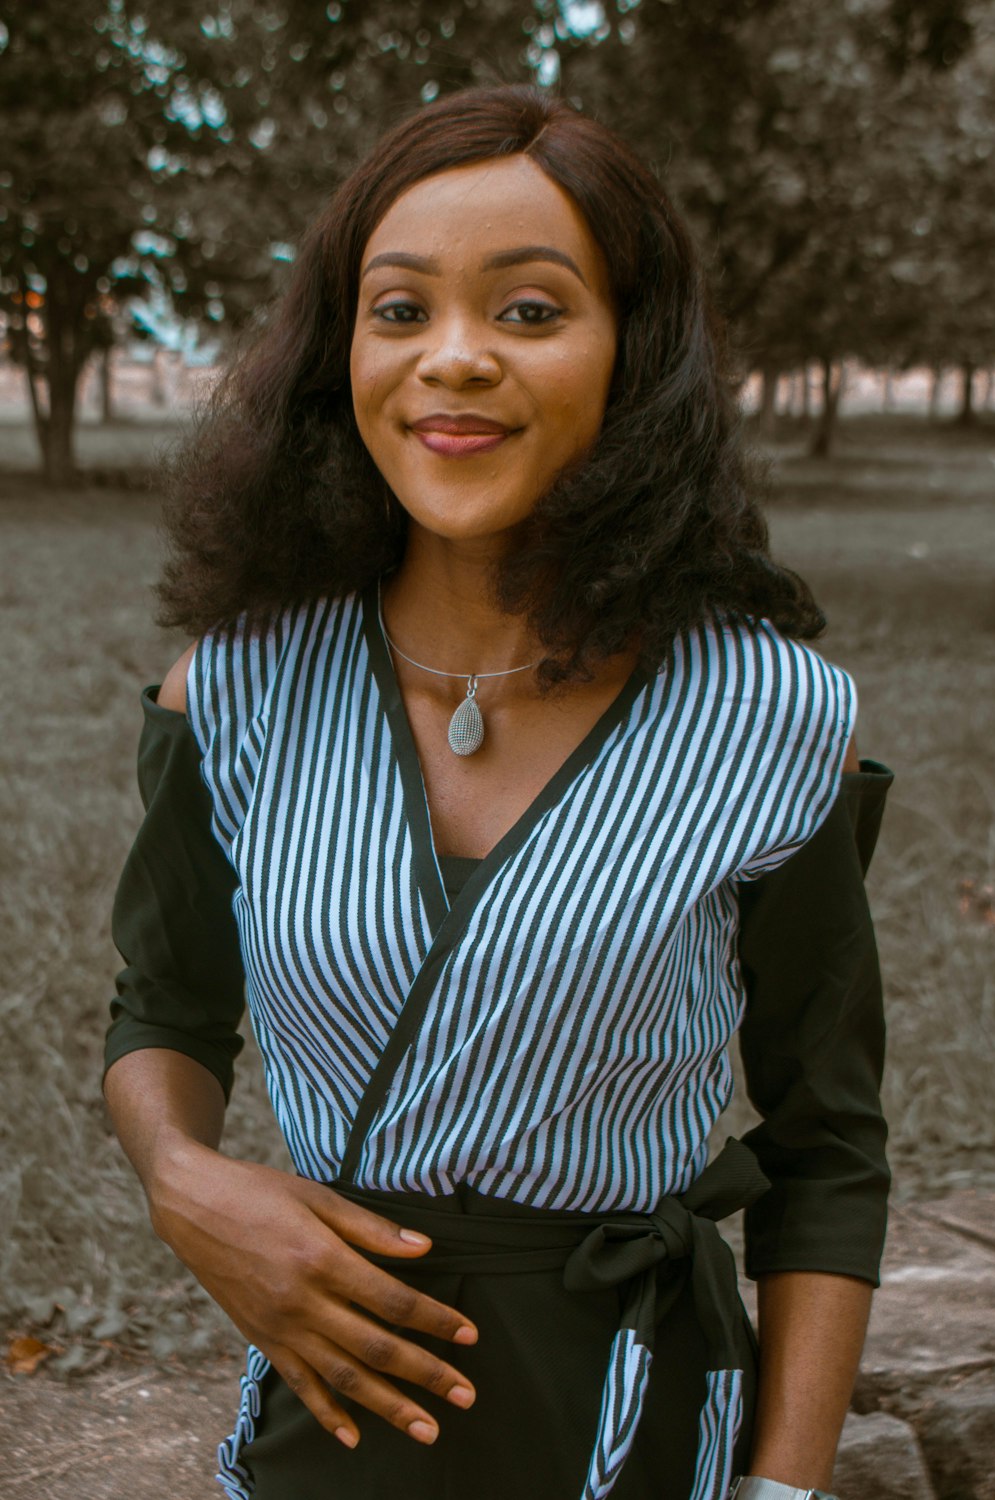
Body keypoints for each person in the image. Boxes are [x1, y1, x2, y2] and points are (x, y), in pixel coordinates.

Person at [102, 84, 892, 1500]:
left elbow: (826, 1145)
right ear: (340, 353)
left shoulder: (773, 720)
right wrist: (184, 1177)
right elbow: (162, 1007)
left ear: (631, 354)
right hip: (331, 1429)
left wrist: (784, 1494)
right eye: (399, 311)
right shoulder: (232, 690)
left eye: (529, 311)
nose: (452, 360)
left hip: (635, 1420)